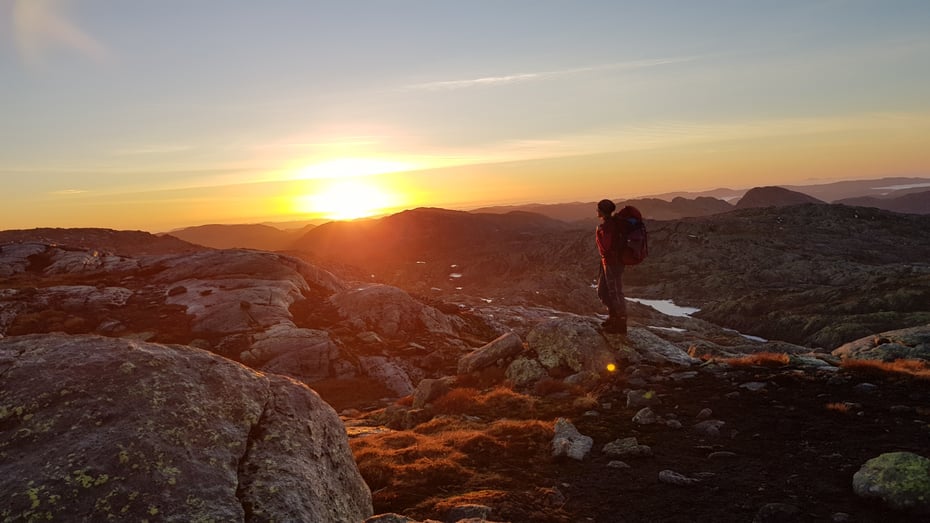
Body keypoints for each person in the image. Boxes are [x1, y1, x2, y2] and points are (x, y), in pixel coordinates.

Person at [595, 199, 627, 334]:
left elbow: (607, 247)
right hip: (608, 262)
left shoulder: (609, 226)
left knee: (614, 293)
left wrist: (599, 231)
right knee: (603, 291)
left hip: (613, 263)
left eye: (598, 209)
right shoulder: (609, 224)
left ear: (602, 211)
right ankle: (613, 317)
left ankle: (620, 324)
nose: (596, 211)